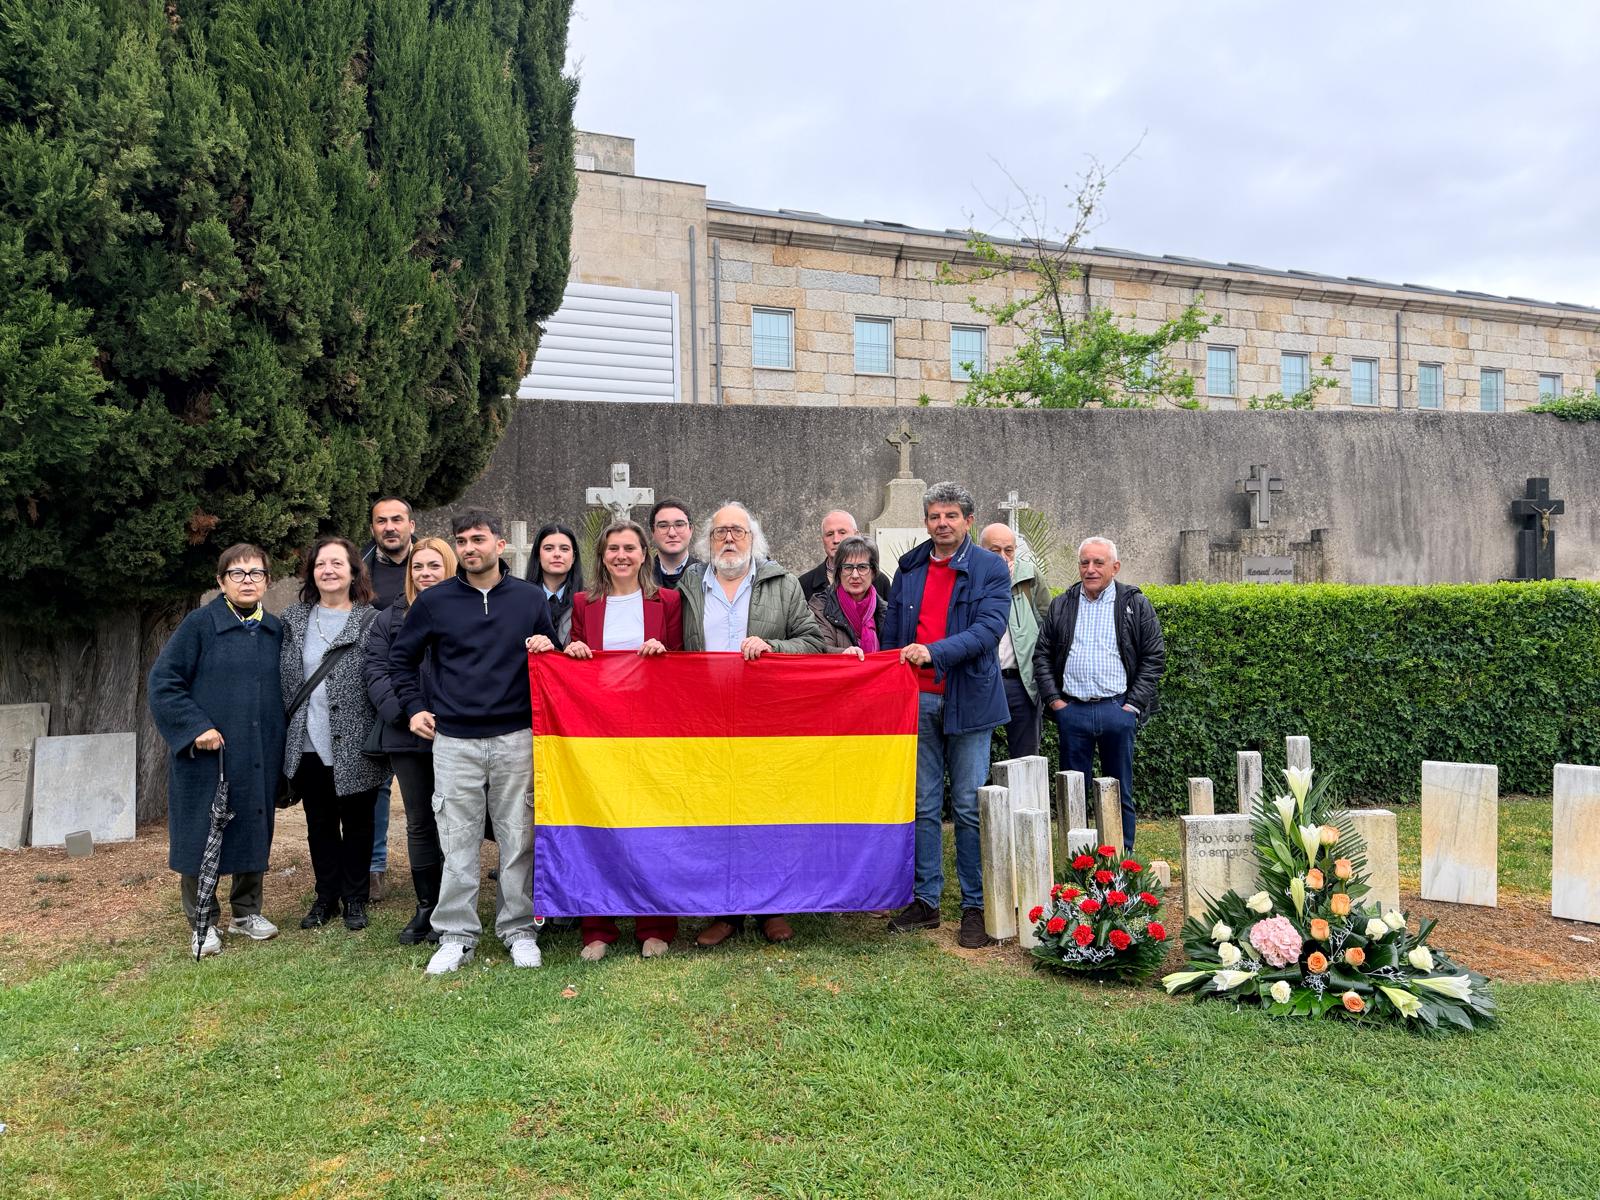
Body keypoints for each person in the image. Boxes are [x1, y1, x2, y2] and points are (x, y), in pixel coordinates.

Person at [388, 510, 556, 974]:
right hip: (454, 741)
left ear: (499, 545)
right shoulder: (434, 601)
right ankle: (456, 935)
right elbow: (401, 660)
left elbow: (550, 657)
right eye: (461, 541)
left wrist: (548, 646)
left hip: (516, 738)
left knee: (518, 838)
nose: (468, 548)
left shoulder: (529, 598)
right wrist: (413, 707)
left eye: (478, 539)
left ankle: (519, 930)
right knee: (457, 841)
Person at [532, 519, 683, 961]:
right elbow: (576, 661)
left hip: (651, 730)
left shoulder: (668, 601)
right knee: (598, 825)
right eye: (613, 548)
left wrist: (663, 655)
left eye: (629, 548)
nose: (621, 556)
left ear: (644, 554)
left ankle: (655, 925)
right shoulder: (585, 603)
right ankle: (597, 926)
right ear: (601, 556)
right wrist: (574, 651)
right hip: (598, 732)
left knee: (651, 826)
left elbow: (682, 663)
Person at [680, 502, 825, 948]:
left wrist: (773, 647)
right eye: (720, 531)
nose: (729, 538)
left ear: (753, 538)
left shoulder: (782, 583)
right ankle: (725, 912)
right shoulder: (688, 585)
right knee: (717, 814)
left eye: (738, 531)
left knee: (766, 812)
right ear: (708, 541)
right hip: (707, 719)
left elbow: (813, 642)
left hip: (765, 720)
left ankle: (770, 908)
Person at [883, 482, 1011, 949]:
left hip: (969, 700)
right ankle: (926, 901)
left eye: (951, 515)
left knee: (969, 808)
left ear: (968, 520)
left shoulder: (990, 567)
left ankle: (974, 906)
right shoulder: (909, 566)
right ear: (926, 521)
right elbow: (892, 632)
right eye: (935, 516)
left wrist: (932, 652)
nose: (942, 523)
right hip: (916, 701)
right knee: (922, 804)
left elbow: (988, 631)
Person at [148, 545, 286, 958]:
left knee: (254, 827)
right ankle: (202, 921)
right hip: (209, 754)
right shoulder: (199, 625)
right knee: (201, 834)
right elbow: (164, 682)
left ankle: (247, 912)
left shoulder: (274, 629)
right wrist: (196, 727)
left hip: (258, 752)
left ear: (267, 581)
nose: (247, 581)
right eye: (237, 573)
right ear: (221, 581)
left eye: (256, 573)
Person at [1033, 536, 1166, 854]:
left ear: (1115, 567)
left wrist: (1133, 705)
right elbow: (1042, 655)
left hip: (1117, 711)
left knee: (1119, 791)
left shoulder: (1135, 604)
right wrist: (1056, 703)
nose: (1090, 569)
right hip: (1073, 712)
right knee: (1073, 792)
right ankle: (1077, 860)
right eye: (1084, 562)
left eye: (1098, 563)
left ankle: (1122, 858)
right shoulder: (1063, 604)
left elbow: (1153, 657)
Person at [279, 536, 385, 932]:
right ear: (311, 573)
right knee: (319, 822)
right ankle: (326, 897)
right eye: (321, 564)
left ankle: (355, 897)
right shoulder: (293, 619)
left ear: (354, 572)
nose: (329, 570)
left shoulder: (372, 620)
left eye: (338, 563)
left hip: (357, 742)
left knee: (358, 823)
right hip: (307, 740)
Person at [364, 536, 458, 946]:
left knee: (458, 821)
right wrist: (408, 713)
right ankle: (427, 906)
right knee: (420, 821)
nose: (425, 573)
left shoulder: (466, 611)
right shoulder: (389, 618)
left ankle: (458, 904)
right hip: (408, 735)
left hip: (458, 732)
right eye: (418, 567)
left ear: (450, 567)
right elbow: (377, 671)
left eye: (434, 566)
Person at [361, 496, 416, 902]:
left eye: (397, 519)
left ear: (411, 525)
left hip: (426, 691)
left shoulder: (431, 563)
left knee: (429, 786)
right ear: (373, 528)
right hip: (374, 688)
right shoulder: (359, 570)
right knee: (376, 784)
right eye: (382, 521)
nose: (390, 527)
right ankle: (373, 867)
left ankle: (431, 865)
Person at [977, 522, 1052, 760]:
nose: (1002, 557)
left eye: (1008, 550)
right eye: (994, 550)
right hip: (981, 682)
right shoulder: (970, 576)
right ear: (980, 550)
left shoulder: (1029, 576)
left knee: (1026, 759)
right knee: (975, 756)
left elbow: (1047, 627)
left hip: (1020, 682)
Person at [806, 535, 887, 659]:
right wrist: (843, 653)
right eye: (848, 567)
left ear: (873, 572)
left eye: (862, 567)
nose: (855, 575)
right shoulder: (819, 606)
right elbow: (819, 647)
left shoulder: (886, 611)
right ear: (839, 572)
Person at [798, 510, 891, 602]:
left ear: (856, 535)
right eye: (829, 534)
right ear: (822, 540)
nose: (836, 540)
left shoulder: (879, 581)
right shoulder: (804, 584)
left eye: (842, 532)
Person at [524, 522, 583, 648]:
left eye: (564, 549)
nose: (557, 554)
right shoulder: (521, 599)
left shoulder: (588, 602)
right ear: (538, 555)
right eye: (549, 548)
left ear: (573, 557)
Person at [648, 498, 700, 590]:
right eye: (663, 526)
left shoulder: (707, 576)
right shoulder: (639, 576)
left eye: (679, 525)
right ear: (653, 532)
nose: (672, 533)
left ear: (691, 530)